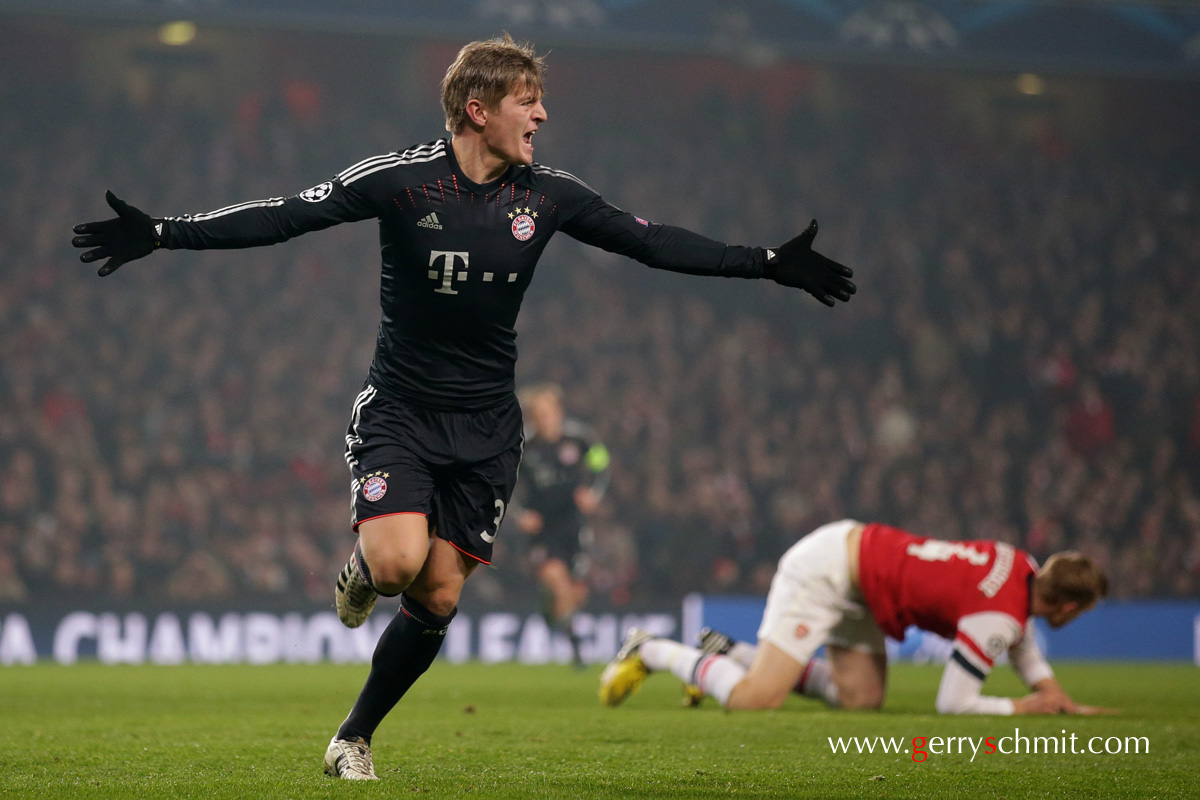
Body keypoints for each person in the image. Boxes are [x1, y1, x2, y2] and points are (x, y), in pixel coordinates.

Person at [71, 35, 856, 780]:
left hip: (487, 428)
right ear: (478, 108)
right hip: (402, 410)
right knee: (395, 566)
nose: (542, 115)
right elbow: (285, 215)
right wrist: (167, 233)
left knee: (439, 596)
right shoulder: (401, 178)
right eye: (529, 99)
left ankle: (352, 737)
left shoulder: (548, 195)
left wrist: (766, 263)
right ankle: (365, 568)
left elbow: (649, 241)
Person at [600, 519, 1111, 715]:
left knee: (862, 700)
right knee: (756, 699)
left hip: (863, 573)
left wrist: (1047, 687)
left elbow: (1017, 632)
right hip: (826, 573)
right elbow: (953, 704)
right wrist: (1022, 709)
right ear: (1068, 607)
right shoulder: (997, 619)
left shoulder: (1018, 563)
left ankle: (727, 651)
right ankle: (653, 649)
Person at [515, 383, 609, 666]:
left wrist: (593, 492)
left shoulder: (579, 440)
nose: (544, 419)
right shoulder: (524, 448)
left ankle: (549, 613)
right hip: (543, 530)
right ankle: (575, 645)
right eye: (538, 414)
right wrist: (520, 515)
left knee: (575, 594)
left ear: (558, 412)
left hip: (574, 527)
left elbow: (602, 464)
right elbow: (504, 485)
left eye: (548, 413)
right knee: (557, 582)